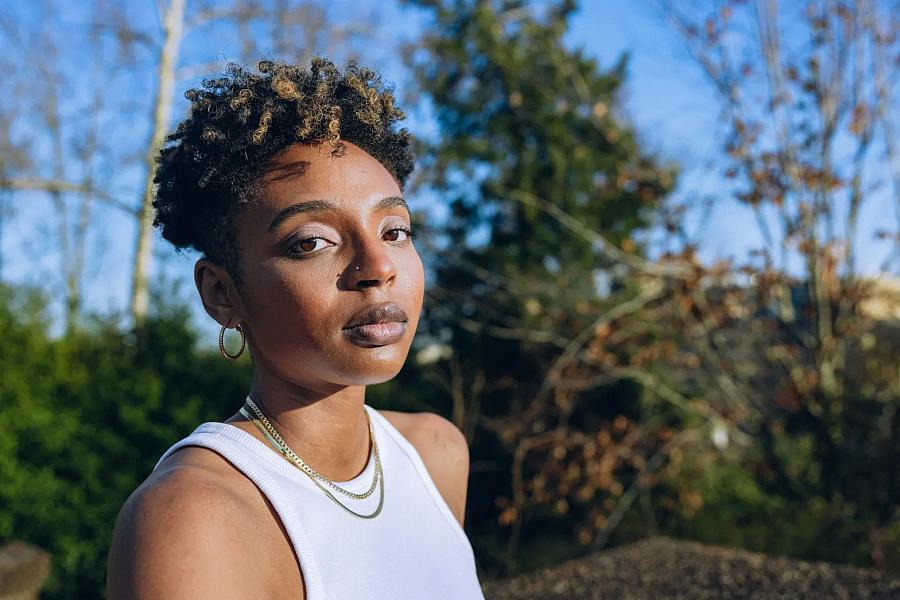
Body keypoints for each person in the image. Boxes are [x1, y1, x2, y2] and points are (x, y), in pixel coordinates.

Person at [106, 57, 485, 599]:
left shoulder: (434, 454)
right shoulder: (194, 518)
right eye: (311, 242)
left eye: (396, 230)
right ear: (222, 293)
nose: (379, 267)